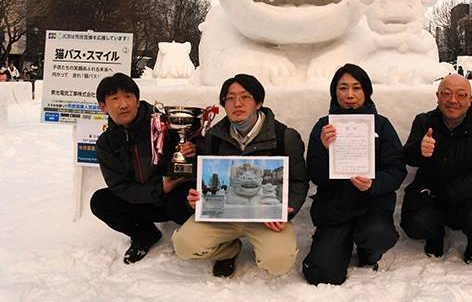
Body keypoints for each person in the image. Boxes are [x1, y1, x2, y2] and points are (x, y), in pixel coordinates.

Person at [172, 74, 308, 278]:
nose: (237, 103)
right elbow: (209, 179)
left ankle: (263, 248)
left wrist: (285, 211)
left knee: (278, 262)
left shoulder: (284, 137)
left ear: (259, 102)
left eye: (245, 97)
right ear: (224, 104)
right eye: (230, 98)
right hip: (224, 215)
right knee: (184, 246)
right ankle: (229, 250)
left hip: (265, 216)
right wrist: (200, 198)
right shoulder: (214, 137)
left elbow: (299, 181)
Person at [303, 63, 407, 285]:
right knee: (321, 274)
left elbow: (397, 169)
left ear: (366, 91)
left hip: (372, 204)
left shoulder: (382, 125)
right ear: (334, 92)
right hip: (335, 207)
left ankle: (368, 252)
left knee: (378, 234)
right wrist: (323, 149)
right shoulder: (324, 127)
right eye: (343, 88)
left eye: (357, 88)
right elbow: (315, 175)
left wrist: (373, 184)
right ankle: (335, 241)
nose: (350, 94)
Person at [90, 73, 196, 264]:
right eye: (115, 99)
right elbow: (120, 186)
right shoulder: (106, 143)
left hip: (173, 197)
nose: (124, 104)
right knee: (101, 201)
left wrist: (191, 150)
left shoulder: (163, 124)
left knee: (186, 200)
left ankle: (204, 241)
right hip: (143, 199)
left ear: (138, 101)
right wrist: (159, 188)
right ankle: (145, 234)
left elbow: (191, 158)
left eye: (129, 97)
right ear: (103, 106)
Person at [400, 74, 472, 264]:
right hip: (431, 194)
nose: (453, 100)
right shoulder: (423, 121)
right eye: (446, 94)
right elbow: (407, 157)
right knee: (415, 224)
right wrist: (419, 149)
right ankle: (435, 234)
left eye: (461, 95)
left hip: (470, 196)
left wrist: (457, 190)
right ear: (437, 96)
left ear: (470, 99)